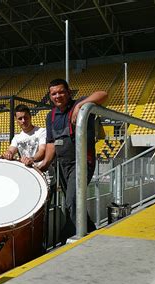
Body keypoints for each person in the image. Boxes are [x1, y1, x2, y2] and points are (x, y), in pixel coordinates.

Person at [42, 78, 108, 243]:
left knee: (71, 200)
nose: (58, 96)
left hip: (82, 162)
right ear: (50, 96)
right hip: (62, 165)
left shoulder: (80, 104)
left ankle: (73, 237)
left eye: (61, 92)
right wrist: (44, 164)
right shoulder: (50, 116)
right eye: (54, 93)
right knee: (72, 202)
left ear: (69, 92)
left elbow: (103, 94)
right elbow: (51, 144)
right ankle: (91, 232)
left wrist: (81, 106)